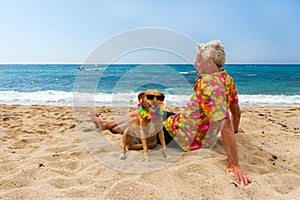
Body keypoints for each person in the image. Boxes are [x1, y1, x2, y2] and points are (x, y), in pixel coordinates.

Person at [90, 40, 251, 186]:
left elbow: (226, 121)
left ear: (210, 62)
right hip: (182, 120)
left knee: (139, 121)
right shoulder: (226, 79)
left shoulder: (212, 87)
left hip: (182, 135)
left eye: (199, 60)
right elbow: (236, 110)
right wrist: (237, 130)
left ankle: (107, 126)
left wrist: (234, 164)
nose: (195, 64)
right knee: (144, 109)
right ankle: (106, 124)